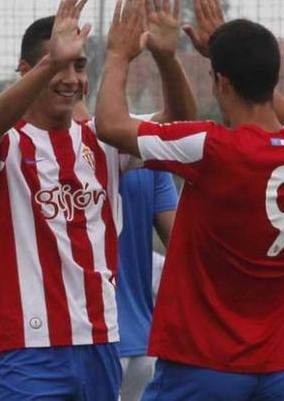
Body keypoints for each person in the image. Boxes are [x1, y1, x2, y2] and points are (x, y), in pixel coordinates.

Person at [94, 0, 284, 401]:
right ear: (272, 80)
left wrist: (118, 55)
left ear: (220, 82)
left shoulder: (211, 147)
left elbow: (110, 126)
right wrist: (224, 47)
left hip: (203, 365)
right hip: (278, 368)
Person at [0, 0, 195, 401]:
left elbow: (178, 123)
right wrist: (49, 63)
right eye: (60, 67)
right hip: (30, 346)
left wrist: (166, 58)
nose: (71, 79)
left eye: (79, 66)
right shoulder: (9, 145)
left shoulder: (103, 139)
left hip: (102, 340)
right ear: (26, 69)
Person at [116, 169, 177, 401]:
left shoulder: (69, 147)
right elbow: (183, 247)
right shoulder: (148, 156)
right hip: (143, 344)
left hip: (89, 342)